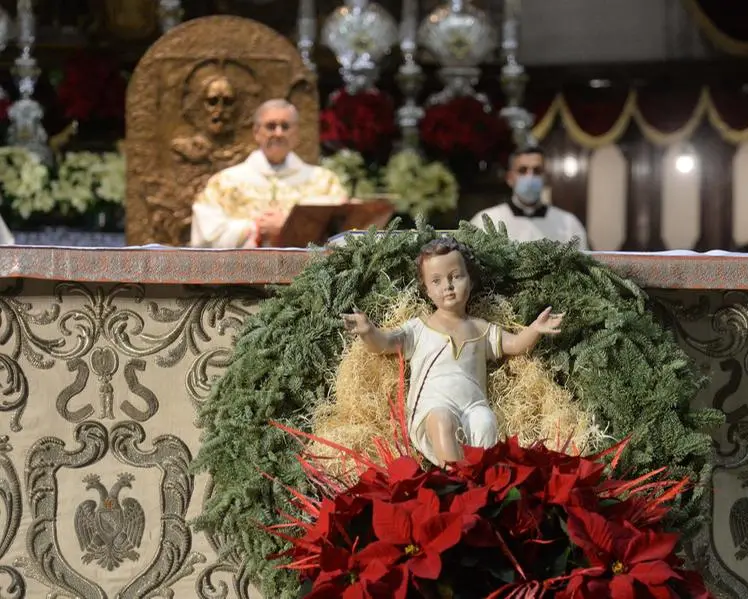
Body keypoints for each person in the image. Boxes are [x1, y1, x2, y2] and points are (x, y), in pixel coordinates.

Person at [341, 237, 564, 466]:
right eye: (436, 281)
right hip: (433, 408)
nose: (447, 286)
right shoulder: (419, 329)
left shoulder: (481, 329)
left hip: (473, 404)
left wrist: (535, 329)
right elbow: (385, 343)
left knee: (485, 422)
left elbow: (515, 344)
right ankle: (457, 479)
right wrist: (368, 331)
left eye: (455, 276)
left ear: (470, 280)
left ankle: (482, 481)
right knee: (442, 421)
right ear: (427, 290)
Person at [189, 99, 347, 248]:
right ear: (256, 132)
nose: (278, 133)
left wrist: (289, 226)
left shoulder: (324, 182)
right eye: (271, 126)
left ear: (296, 133)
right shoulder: (225, 182)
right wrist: (256, 228)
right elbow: (206, 236)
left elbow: (341, 235)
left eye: (285, 126)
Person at [470, 146, 589, 250]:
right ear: (510, 178)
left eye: (537, 171)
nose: (530, 177)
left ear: (545, 177)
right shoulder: (485, 220)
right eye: (523, 170)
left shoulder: (569, 224)